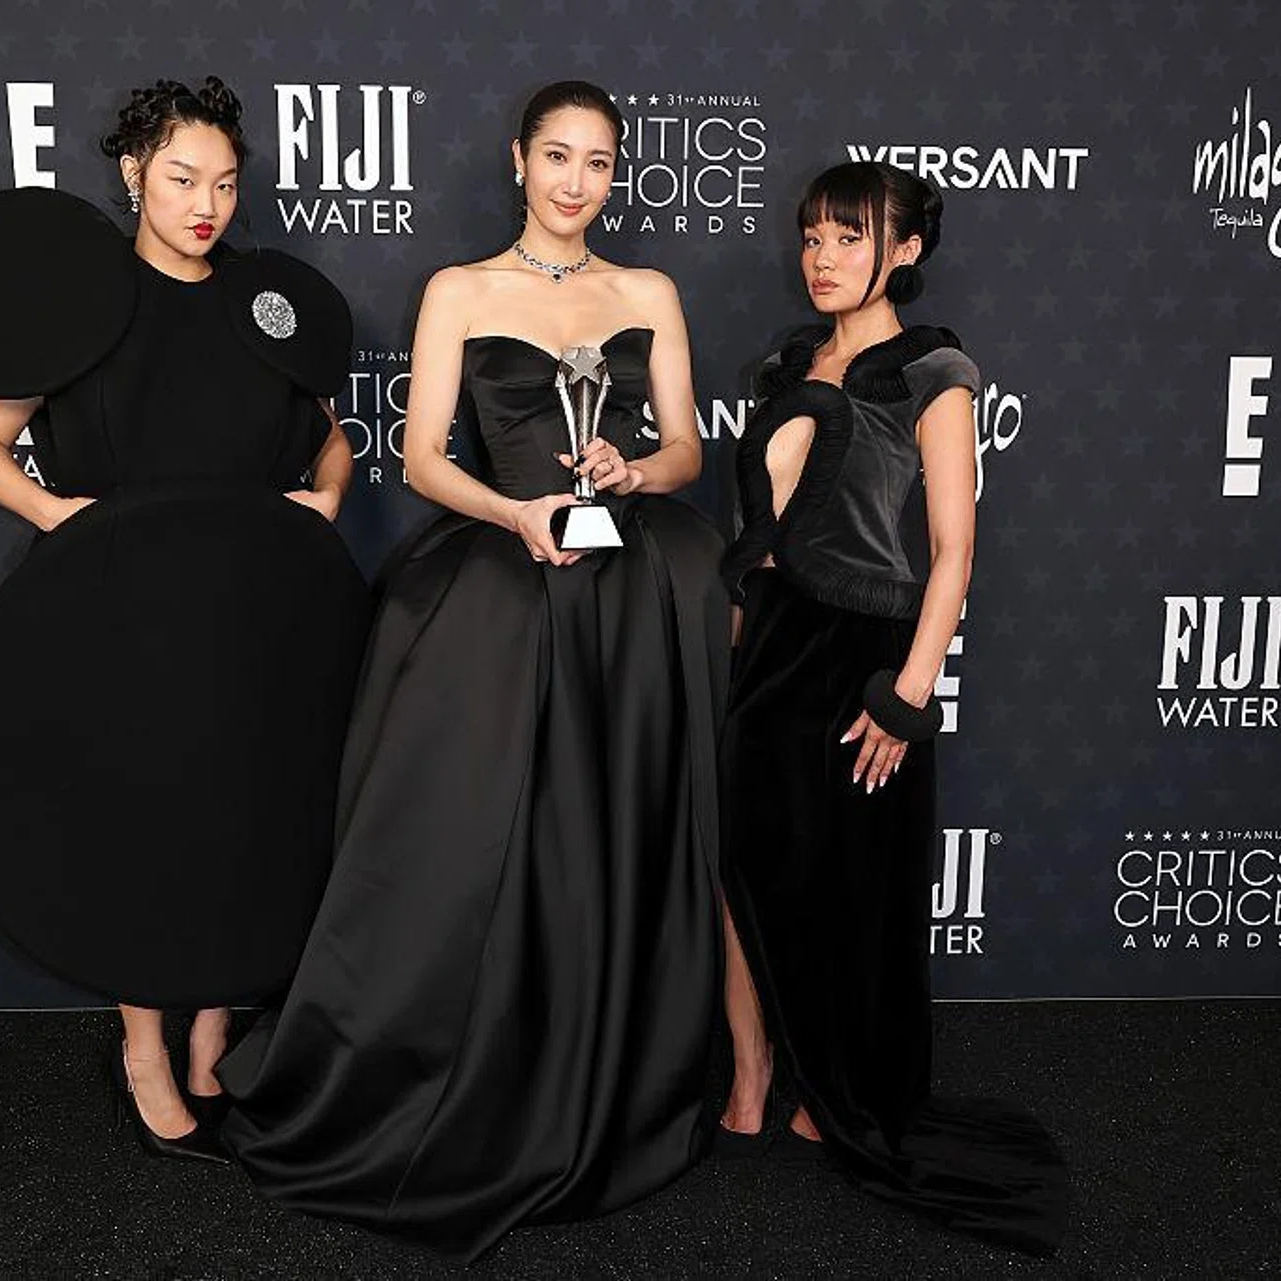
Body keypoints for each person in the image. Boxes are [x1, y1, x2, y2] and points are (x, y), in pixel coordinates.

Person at [218, 80, 729, 1259]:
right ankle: (440, 1061)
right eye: (557, 156)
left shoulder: (648, 292)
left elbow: (692, 444)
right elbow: (418, 457)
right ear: (518, 159)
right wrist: (515, 511)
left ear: (616, 175)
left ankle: (604, 1058)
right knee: (478, 826)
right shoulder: (459, 289)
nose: (576, 181)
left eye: (599, 163)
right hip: (504, 563)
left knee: (608, 824)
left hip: (629, 582)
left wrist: (638, 471)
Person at [0, 79, 367, 1161]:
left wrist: (331, 497)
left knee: (251, 815)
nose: (205, 202)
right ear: (132, 177)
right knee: (141, 821)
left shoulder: (266, 303)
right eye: (180, 179)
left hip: (255, 617)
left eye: (223, 182)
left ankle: (213, 1035)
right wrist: (57, 516)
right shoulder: (78, 298)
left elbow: (330, 437)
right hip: (116, 617)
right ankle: (145, 1052)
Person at [714, 161, 1067, 1254]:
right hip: (769, 644)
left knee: (846, 883)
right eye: (813, 236)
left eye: (850, 238)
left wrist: (906, 701)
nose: (823, 257)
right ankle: (751, 1072)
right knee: (745, 864)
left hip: (865, 654)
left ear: (904, 252)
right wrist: (738, 650)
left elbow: (954, 553)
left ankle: (835, 1087)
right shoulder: (785, 362)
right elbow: (760, 534)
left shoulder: (935, 369)